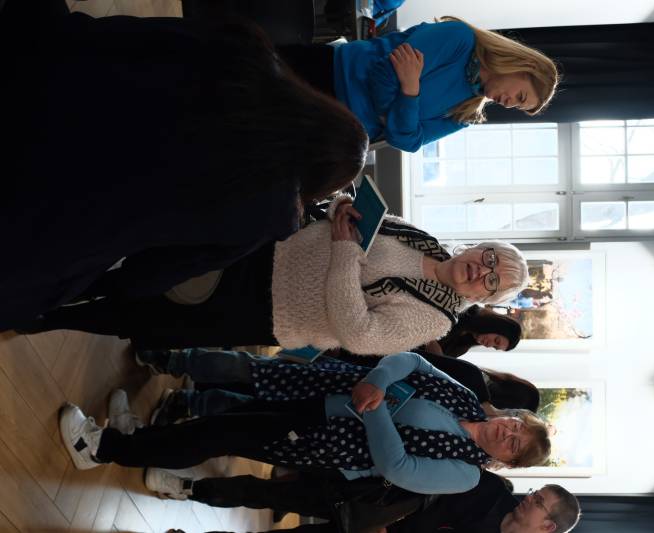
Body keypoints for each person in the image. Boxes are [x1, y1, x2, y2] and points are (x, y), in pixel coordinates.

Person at [0, 0, 368, 331]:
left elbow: (129, 36)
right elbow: (154, 273)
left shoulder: (249, 53)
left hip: (40, 80)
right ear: (321, 178)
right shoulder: (271, 214)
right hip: (40, 218)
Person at [31, 199, 529, 353]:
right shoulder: (424, 239)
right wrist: (341, 209)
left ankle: (44, 318)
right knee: (147, 268)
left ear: (487, 297)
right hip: (263, 252)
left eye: (491, 281)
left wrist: (343, 252)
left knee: (144, 315)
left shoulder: (436, 318)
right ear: (480, 246)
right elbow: (346, 220)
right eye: (489, 258)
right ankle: (46, 288)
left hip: (264, 309)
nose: (480, 270)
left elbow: (358, 335)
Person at [60, 352, 551, 495]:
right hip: (325, 397)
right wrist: (378, 380)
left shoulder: (465, 475)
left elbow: (398, 467)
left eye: (514, 444)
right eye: (515, 424)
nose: (507, 432)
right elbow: (414, 363)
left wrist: (375, 405)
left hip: (323, 439)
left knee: (218, 434)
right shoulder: (467, 398)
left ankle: (103, 449)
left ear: (506, 462)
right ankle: (133, 438)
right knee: (228, 418)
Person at [279, 15, 559, 151]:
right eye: (520, 97)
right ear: (523, 67)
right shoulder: (459, 38)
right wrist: (393, 117)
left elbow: (407, 142)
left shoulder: (466, 115)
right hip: (325, 74)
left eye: (517, 107)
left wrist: (410, 88)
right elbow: (383, 74)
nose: (509, 105)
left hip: (333, 126)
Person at [133, 347, 538, 425]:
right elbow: (412, 359)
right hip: (351, 381)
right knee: (256, 375)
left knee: (257, 390)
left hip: (349, 397)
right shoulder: (469, 385)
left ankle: (184, 390)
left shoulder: (471, 405)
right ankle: (177, 369)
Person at [157, 471, 581, 533]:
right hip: (369, 501)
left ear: (547, 526)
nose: (529, 499)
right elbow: (431, 478)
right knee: (270, 491)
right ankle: (191, 488)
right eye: (535, 493)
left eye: (538, 502)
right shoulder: (491, 490)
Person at [424, 304, 522, 357]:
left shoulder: (462, 348)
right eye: (496, 340)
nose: (489, 345)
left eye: (494, 347)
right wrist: (430, 341)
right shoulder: (462, 307)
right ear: (497, 325)